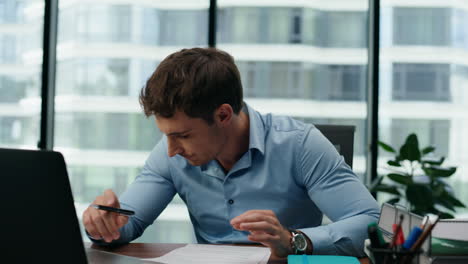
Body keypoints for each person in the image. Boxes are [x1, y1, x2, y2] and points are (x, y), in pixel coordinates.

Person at [83, 47, 380, 258]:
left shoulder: (300, 145)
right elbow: (128, 224)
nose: (172, 150)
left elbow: (371, 221)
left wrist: (293, 240)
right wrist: (103, 224)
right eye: (167, 136)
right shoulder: (171, 151)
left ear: (223, 115)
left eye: (183, 135)